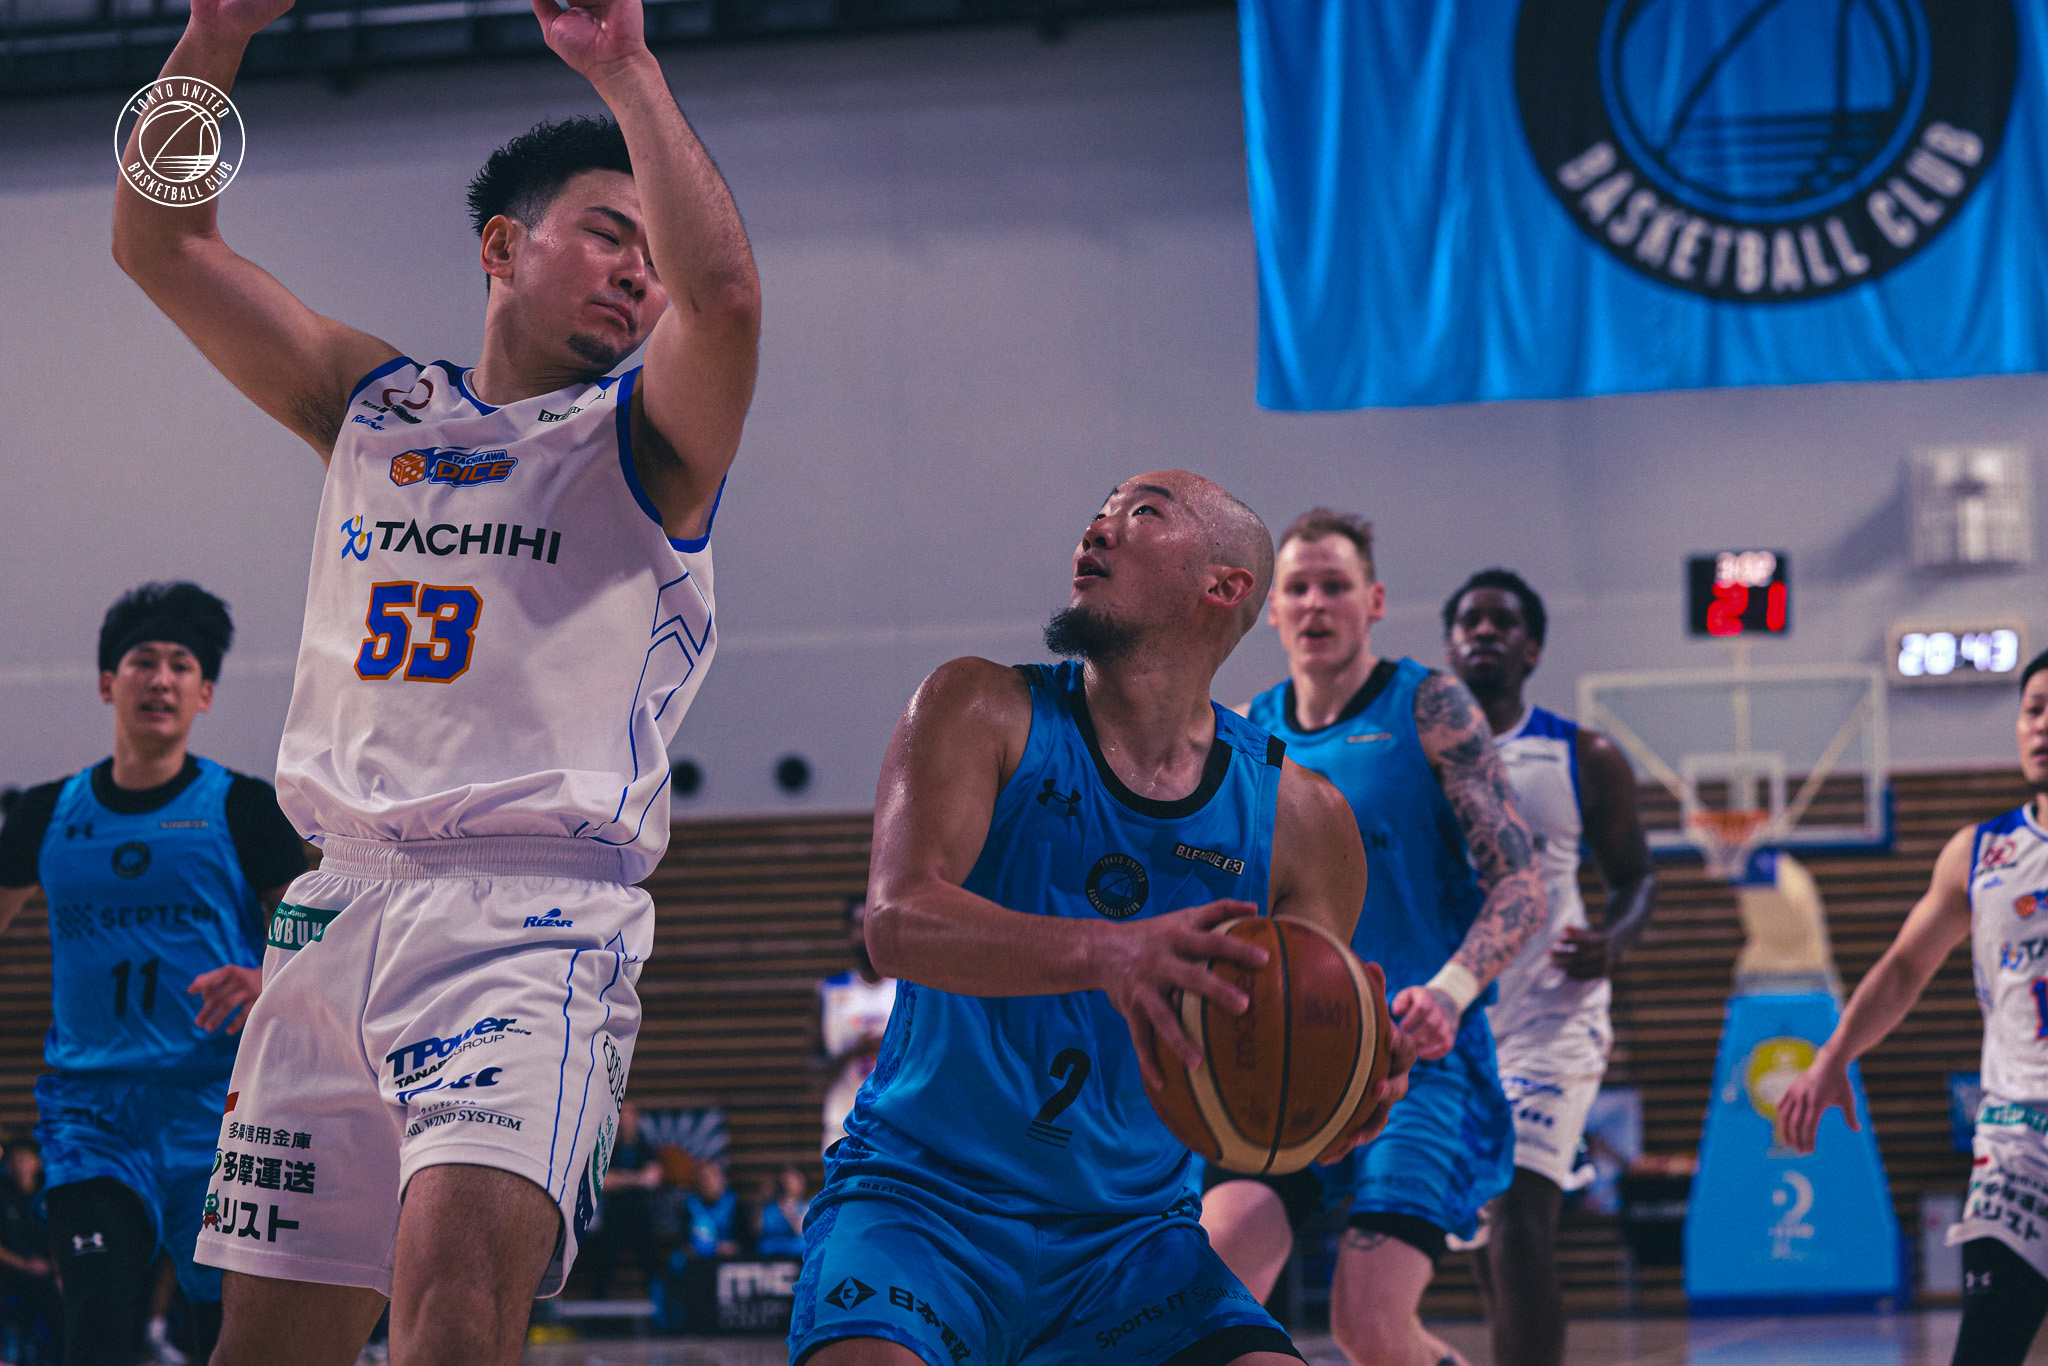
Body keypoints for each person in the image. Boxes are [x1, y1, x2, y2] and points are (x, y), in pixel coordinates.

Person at [110, 0, 761, 1351]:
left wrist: (626, 68)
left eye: (653, 257)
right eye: (609, 235)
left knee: (454, 1321)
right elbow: (161, 244)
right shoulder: (373, 403)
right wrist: (214, 34)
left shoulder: (650, 437)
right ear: (502, 246)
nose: (640, 277)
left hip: (530, 924)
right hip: (333, 908)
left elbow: (727, 300)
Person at [789, 471, 1415, 1366]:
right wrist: (1114, 952)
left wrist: (1344, 1093)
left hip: (1132, 1243)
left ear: (1225, 585)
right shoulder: (979, 705)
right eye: (1099, 514)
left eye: (1143, 514)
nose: (1098, 530)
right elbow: (897, 922)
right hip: (921, 1208)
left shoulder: (1305, 820)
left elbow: (1272, 1057)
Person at [1202, 511, 1546, 1366]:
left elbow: (1521, 884)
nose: (1316, 604)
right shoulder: (1246, 732)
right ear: (1271, 609)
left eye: (1336, 585)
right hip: (1289, 1059)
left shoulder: (1431, 706)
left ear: (1375, 601)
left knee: (1368, 1323)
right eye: (1298, 588)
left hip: (1415, 1057)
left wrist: (1452, 993)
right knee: (1205, 1287)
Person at [0, 584, 305, 1366]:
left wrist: (266, 979)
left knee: (226, 1341)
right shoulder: (45, 814)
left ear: (204, 694)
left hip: (218, 1112)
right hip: (91, 1114)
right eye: (142, 662)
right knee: (96, 1317)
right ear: (109, 683)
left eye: (180, 665)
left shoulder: (244, 809)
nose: (160, 679)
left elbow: (324, 946)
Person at [1779, 651, 2048, 1366]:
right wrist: (1833, 1056)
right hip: (2020, 1140)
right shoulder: (1980, 853)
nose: (2043, 726)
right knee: (1985, 1346)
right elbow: (1903, 969)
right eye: (2033, 709)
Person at [1441, 569, 1656, 1366]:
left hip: (1551, 1022)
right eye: (1469, 621)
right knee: (1486, 1241)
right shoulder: (1419, 763)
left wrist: (1614, 941)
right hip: (1456, 1027)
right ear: (1449, 645)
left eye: (1501, 623)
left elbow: (1636, 878)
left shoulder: (1584, 755)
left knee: (1521, 1222)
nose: (1483, 632)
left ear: (1531, 649)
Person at [814, 897, 897, 1152]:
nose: (863, 933)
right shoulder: (829, 991)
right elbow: (813, 1070)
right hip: (842, 1123)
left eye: (869, 924)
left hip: (894, 1123)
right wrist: (854, 1051)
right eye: (857, 925)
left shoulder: (904, 989)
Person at [584, 1103, 664, 1300]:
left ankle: (659, 1304)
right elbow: (604, 1182)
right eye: (623, 1117)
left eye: (630, 1117)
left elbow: (653, 1180)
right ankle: (598, 1304)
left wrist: (621, 1178)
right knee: (604, 1257)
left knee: (651, 1257)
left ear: (637, 1120)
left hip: (641, 1216)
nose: (626, 1122)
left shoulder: (647, 1149)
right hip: (615, 1215)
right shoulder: (610, 1149)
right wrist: (638, 1178)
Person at [0, 1141, 60, 1364]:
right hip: (10, 1272)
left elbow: (59, 1238)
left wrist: (58, 1271)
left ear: (38, 1163)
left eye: (26, 1159)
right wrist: (24, 1264)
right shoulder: (2, 1193)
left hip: (48, 1274)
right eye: (15, 1160)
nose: (21, 1165)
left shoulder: (51, 1195)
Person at [682, 1162, 738, 1261]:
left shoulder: (735, 1204)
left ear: (721, 1179)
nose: (706, 1183)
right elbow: (683, 1240)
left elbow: (745, 1241)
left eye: (710, 1177)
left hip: (728, 1261)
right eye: (702, 1178)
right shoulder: (690, 1205)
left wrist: (733, 1248)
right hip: (698, 1260)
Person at [755, 1165, 810, 1258]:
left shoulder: (807, 1206)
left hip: (796, 1249)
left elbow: (800, 1231)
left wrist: (790, 1212)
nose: (789, 1185)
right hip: (771, 1248)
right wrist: (761, 1201)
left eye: (796, 1180)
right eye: (787, 1181)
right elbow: (758, 1231)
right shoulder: (769, 1207)